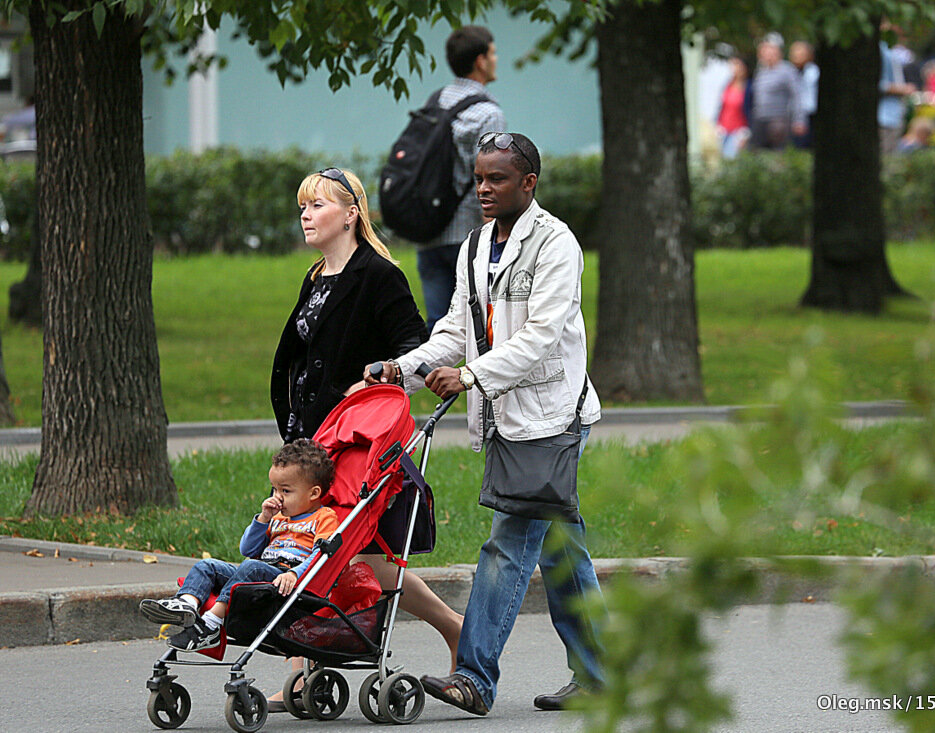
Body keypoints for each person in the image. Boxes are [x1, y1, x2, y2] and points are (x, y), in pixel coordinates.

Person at [365, 132, 605, 716]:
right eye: (478, 178)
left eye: (497, 178)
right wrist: (405, 368)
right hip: (508, 421)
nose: (484, 189)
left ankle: (473, 677)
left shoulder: (556, 245)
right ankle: (601, 676)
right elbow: (455, 329)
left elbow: (540, 336)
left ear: (529, 183)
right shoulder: (473, 245)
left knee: (508, 544)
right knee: (561, 554)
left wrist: (471, 377)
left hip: (551, 419)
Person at [269, 167, 463, 707]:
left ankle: (453, 626)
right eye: (302, 206)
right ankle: (303, 666)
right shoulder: (316, 276)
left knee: (347, 551)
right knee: (300, 542)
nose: (305, 215)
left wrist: (379, 375)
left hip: (357, 442)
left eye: (317, 205)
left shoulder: (379, 275)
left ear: (352, 214)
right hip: (311, 441)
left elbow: (412, 345)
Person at [138, 439, 339, 651]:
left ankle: (211, 624)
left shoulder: (324, 517)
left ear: (314, 493)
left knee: (251, 566)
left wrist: (295, 574)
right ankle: (186, 604)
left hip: (287, 581)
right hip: (260, 572)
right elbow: (248, 549)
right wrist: (263, 519)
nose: (277, 497)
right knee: (208, 566)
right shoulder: (279, 517)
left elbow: (321, 555)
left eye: (286, 491)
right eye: (274, 489)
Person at [416, 25, 506, 333]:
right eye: (493, 53)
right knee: (482, 328)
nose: (496, 59)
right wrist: (494, 237)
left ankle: (429, 382)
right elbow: (491, 179)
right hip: (469, 236)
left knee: (438, 331)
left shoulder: (436, 101)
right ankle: (474, 382)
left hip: (428, 231)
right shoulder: (486, 112)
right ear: (481, 61)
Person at [749, 33, 805, 150]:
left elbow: (797, 96)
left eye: (769, 50)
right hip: (760, 119)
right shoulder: (761, 72)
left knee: (777, 154)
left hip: (778, 120)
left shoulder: (787, 70)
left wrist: (799, 120)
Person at [879, 40, 916, 155]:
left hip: (894, 118)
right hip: (884, 118)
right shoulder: (881, 50)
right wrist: (902, 89)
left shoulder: (891, 50)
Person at [716, 55, 752, 159]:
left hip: (739, 131)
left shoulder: (749, 87)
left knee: (731, 158)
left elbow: (750, 110)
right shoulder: (727, 85)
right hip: (723, 130)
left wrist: (746, 132)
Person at [789, 41, 818, 148]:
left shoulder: (814, 71)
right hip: (793, 115)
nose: (798, 54)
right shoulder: (789, 72)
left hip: (811, 113)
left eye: (801, 51)